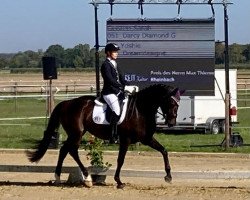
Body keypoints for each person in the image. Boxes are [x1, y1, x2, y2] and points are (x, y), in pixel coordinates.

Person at [101, 43, 128, 143]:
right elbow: (110, 80)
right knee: (116, 110)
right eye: (114, 52)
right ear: (108, 53)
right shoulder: (105, 65)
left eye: (117, 52)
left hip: (117, 91)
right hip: (109, 93)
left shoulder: (115, 64)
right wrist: (121, 87)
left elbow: (121, 78)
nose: (116, 54)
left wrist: (128, 85)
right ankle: (112, 135)